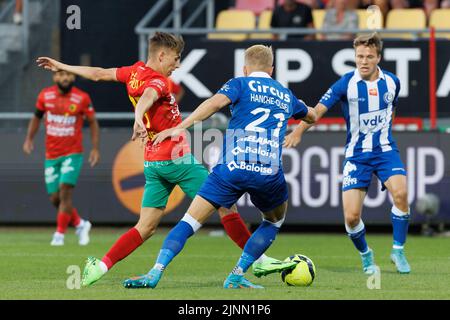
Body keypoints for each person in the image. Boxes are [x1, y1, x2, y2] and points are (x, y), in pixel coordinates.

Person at [36, 32, 287, 286]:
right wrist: (138, 117)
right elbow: (148, 97)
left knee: (145, 227)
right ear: (161, 55)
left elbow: (99, 73)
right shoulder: (159, 82)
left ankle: (99, 267)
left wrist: (61, 65)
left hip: (153, 162)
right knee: (226, 206)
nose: (177, 65)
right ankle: (259, 260)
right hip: (175, 158)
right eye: (176, 59)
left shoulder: (133, 72)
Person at [122, 44, 317, 289]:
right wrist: (299, 130)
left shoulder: (239, 83)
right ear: (272, 69)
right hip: (267, 171)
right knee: (273, 221)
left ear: (245, 69)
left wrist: (183, 125)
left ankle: (154, 272)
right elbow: (312, 115)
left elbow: (213, 104)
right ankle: (236, 274)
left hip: (231, 168)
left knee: (188, 222)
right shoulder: (285, 95)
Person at [284, 33, 411, 274]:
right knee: (352, 217)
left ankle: (398, 250)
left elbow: (392, 111)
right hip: (356, 155)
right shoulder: (345, 84)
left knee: (402, 193)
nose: (363, 61)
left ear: (378, 58)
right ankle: (366, 255)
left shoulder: (393, 82)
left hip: (385, 150)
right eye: (359, 56)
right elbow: (317, 111)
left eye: (369, 57)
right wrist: (299, 131)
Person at [23, 70, 99, 246]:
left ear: (73, 77)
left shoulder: (82, 98)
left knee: (65, 190)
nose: (65, 78)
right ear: (55, 77)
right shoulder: (45, 95)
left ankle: (59, 235)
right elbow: (36, 117)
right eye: (61, 75)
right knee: (55, 199)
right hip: (51, 154)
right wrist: (29, 138)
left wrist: (95, 148)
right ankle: (80, 224)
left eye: (68, 75)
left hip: (73, 153)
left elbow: (93, 122)